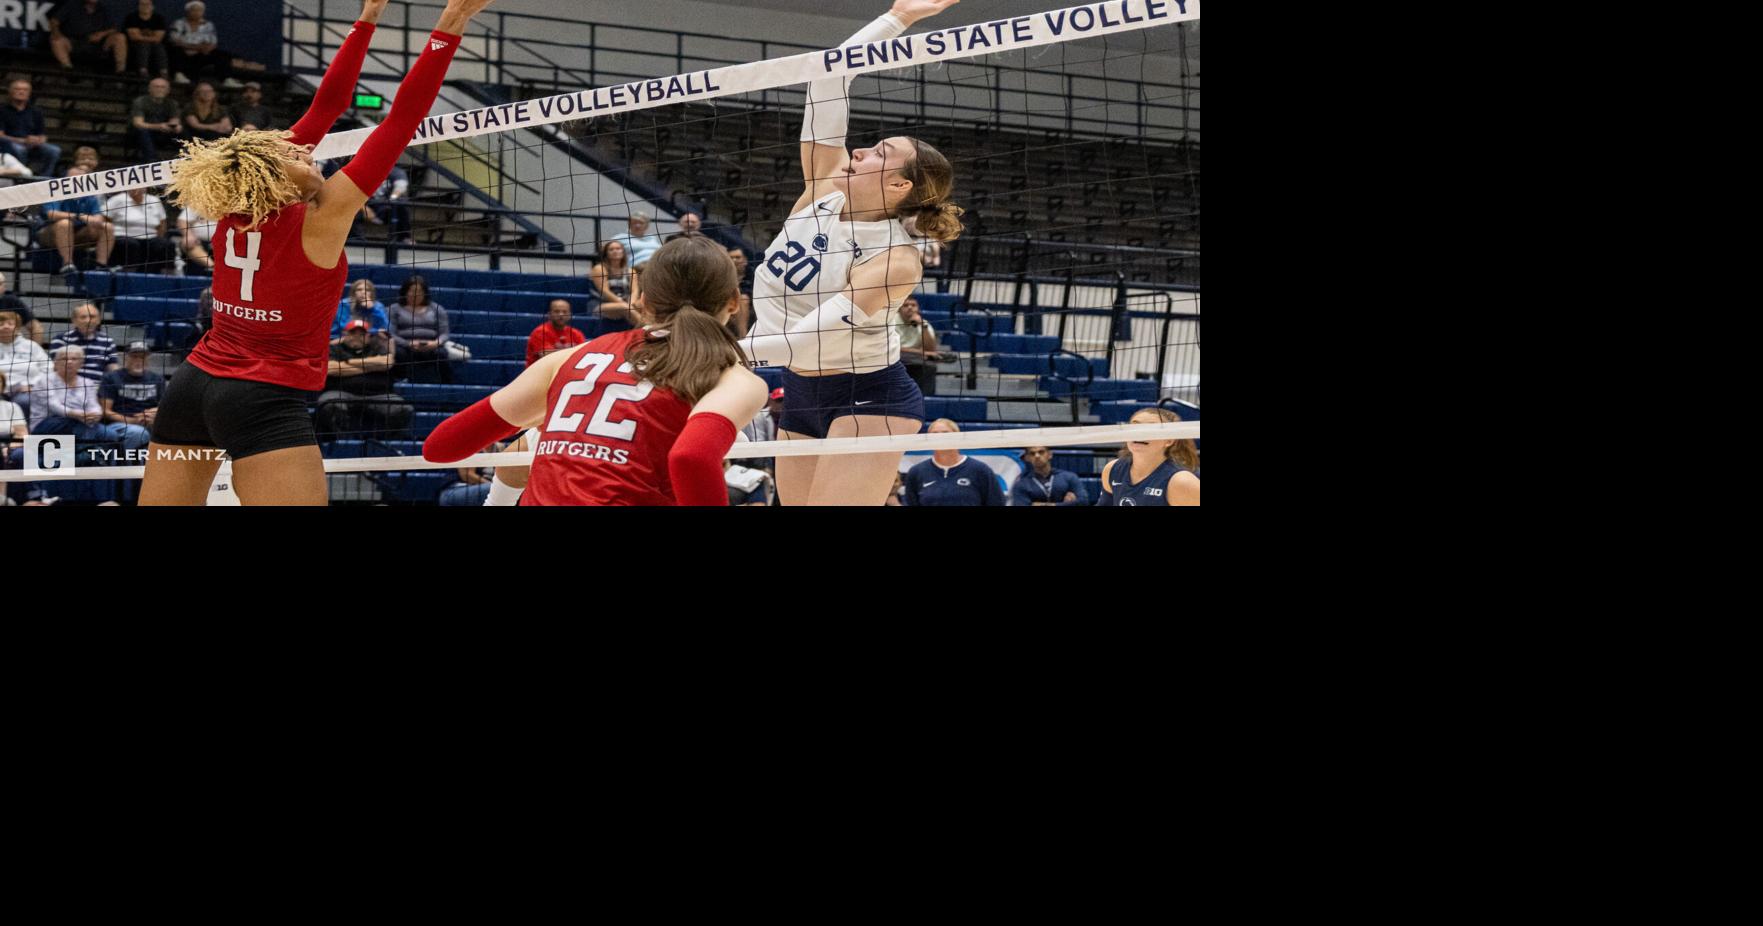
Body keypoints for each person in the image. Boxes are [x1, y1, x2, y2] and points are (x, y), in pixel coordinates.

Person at [141, 0, 499, 506]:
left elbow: (326, 106)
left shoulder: (240, 199)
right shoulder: (321, 216)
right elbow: (400, 122)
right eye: (292, 155)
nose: (302, 148)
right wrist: (449, 27)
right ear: (277, 181)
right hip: (259, 397)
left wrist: (368, 16)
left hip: (192, 387)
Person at [740, 0, 965, 506]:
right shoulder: (821, 191)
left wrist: (722, 352)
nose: (860, 150)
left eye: (880, 152)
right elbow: (829, 76)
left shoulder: (896, 259)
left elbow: (807, 340)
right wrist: (899, 18)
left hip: (870, 393)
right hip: (799, 392)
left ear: (898, 184)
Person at [423, 235, 768, 506]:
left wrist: (551, 422)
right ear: (735, 301)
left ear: (643, 301)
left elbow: (440, 447)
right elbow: (692, 457)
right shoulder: (735, 377)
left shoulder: (572, 356)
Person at [315, 319, 411, 440]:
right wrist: (371, 366)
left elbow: (387, 362)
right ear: (344, 334)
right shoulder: (334, 348)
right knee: (329, 404)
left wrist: (348, 363)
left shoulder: (377, 347)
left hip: (379, 395)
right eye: (352, 333)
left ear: (369, 336)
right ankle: (343, 444)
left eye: (361, 334)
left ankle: (386, 443)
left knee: (403, 409)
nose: (357, 337)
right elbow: (330, 369)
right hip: (340, 393)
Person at [1096, 407, 1200, 507]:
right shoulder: (1113, 469)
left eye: (1150, 429)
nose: (1140, 433)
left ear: (1169, 440)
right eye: (1135, 426)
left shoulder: (1181, 482)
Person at [903, 418, 1004, 506]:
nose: (940, 437)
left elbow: (996, 502)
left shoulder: (980, 470)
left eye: (945, 433)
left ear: (957, 437)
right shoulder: (916, 472)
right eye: (934, 434)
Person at [37, 166, 115, 280]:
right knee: (64, 223)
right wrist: (79, 216)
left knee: (107, 226)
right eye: (72, 179)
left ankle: (100, 266)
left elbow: (98, 218)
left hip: (77, 233)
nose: (75, 182)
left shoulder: (90, 197)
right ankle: (67, 264)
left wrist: (96, 220)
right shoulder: (55, 191)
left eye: (79, 179)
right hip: (49, 233)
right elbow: (51, 214)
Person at [98, 341, 163, 452]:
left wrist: (153, 413)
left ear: (148, 359)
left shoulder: (157, 379)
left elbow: (164, 407)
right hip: (118, 424)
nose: (138, 361)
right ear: (125, 358)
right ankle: (129, 467)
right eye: (134, 357)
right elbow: (106, 411)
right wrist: (133, 421)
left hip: (150, 423)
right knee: (138, 433)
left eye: (142, 357)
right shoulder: (111, 378)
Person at [389, 274, 452, 383]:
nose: (415, 295)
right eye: (412, 291)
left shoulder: (437, 308)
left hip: (431, 346)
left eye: (419, 291)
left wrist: (436, 343)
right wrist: (408, 344)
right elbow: (391, 333)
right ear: (405, 292)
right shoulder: (394, 309)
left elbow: (445, 333)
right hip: (405, 346)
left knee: (442, 353)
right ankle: (400, 381)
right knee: (398, 353)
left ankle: (447, 384)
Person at [105, 187, 177, 272]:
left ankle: (167, 279)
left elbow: (162, 223)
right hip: (123, 236)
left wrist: (159, 238)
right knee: (131, 245)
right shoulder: (117, 200)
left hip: (150, 237)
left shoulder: (154, 200)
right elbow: (105, 220)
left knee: (166, 245)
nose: (137, 189)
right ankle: (130, 277)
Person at [0, 80, 61, 179]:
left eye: (25, 90)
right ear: (10, 92)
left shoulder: (35, 111)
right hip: (9, 143)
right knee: (20, 150)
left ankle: (44, 178)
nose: (21, 92)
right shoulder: (2, 110)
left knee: (54, 150)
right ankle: (22, 178)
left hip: (32, 144)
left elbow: (42, 134)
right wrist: (23, 141)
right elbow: (0, 135)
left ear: (29, 93)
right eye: (17, 89)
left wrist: (39, 140)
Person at [48, 0, 129, 74]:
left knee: (120, 37)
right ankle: (68, 69)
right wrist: (57, 34)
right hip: (74, 42)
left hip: (97, 45)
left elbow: (115, 28)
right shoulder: (72, 5)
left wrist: (101, 34)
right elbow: (54, 21)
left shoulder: (103, 9)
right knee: (56, 40)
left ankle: (120, 72)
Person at [50, 303, 119, 382]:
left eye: (92, 317)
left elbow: (113, 368)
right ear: (74, 321)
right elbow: (57, 367)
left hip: (98, 388)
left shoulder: (108, 341)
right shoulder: (61, 339)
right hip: (67, 386)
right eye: (83, 317)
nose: (88, 320)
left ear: (99, 320)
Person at [1, 309, 50, 417]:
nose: (6, 327)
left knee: (25, 401)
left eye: (10, 324)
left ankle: (25, 432)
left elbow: (48, 369)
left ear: (18, 328)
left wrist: (33, 386)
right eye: (1, 324)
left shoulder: (31, 346)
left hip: (25, 390)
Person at [896, 295, 944, 396]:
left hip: (914, 358)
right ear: (899, 309)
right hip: (894, 358)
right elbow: (894, 349)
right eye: (905, 305)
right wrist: (921, 352)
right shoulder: (891, 322)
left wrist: (923, 326)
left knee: (930, 366)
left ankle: (924, 398)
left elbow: (930, 349)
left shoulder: (923, 323)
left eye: (913, 305)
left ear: (917, 308)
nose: (910, 307)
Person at [1010, 445, 1087, 507]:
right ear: (1027, 458)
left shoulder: (1069, 477)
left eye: (1041, 452)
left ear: (1050, 454)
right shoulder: (1021, 484)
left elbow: (1084, 502)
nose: (1037, 456)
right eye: (1032, 453)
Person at [130, 77, 183, 163]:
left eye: (162, 87)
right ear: (149, 89)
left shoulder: (172, 103)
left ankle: (183, 159)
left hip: (163, 133)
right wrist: (159, 126)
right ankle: (151, 160)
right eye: (156, 87)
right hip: (142, 134)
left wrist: (175, 127)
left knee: (182, 131)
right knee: (142, 131)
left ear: (168, 90)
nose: (159, 89)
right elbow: (138, 123)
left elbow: (174, 121)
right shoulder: (140, 102)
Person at [357, 164, 411, 241]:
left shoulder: (396, 172)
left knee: (400, 206)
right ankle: (357, 241)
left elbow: (400, 187)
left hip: (385, 206)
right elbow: (353, 192)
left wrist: (392, 198)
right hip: (366, 205)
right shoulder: (365, 171)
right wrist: (364, 208)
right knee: (353, 210)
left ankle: (404, 238)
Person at [526, 298, 585, 366]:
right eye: (556, 311)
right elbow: (547, 357)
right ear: (549, 314)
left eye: (564, 312)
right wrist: (572, 353)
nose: (561, 314)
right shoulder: (540, 332)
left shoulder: (577, 334)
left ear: (570, 315)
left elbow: (582, 356)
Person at [590, 239, 635, 325]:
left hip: (625, 305)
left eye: (618, 248)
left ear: (623, 252)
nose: (615, 251)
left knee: (642, 305)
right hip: (601, 305)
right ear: (606, 254)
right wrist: (626, 305)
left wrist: (631, 304)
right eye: (611, 249)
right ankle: (646, 328)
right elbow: (604, 291)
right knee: (624, 307)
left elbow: (635, 291)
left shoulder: (630, 271)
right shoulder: (599, 269)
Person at [124, 0, 172, 79]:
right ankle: (143, 71)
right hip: (134, 45)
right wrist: (151, 38)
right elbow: (134, 37)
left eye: (147, 4)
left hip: (154, 45)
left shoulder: (159, 18)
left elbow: (158, 38)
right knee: (143, 45)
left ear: (152, 6)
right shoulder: (131, 17)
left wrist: (142, 37)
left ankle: (163, 72)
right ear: (138, 6)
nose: (145, 6)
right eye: (142, 4)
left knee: (158, 46)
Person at [0, 273, 46, 346]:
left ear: (4, 287)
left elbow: (36, 328)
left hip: (11, 349)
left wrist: (32, 351)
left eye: (0, 284)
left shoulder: (11, 301)